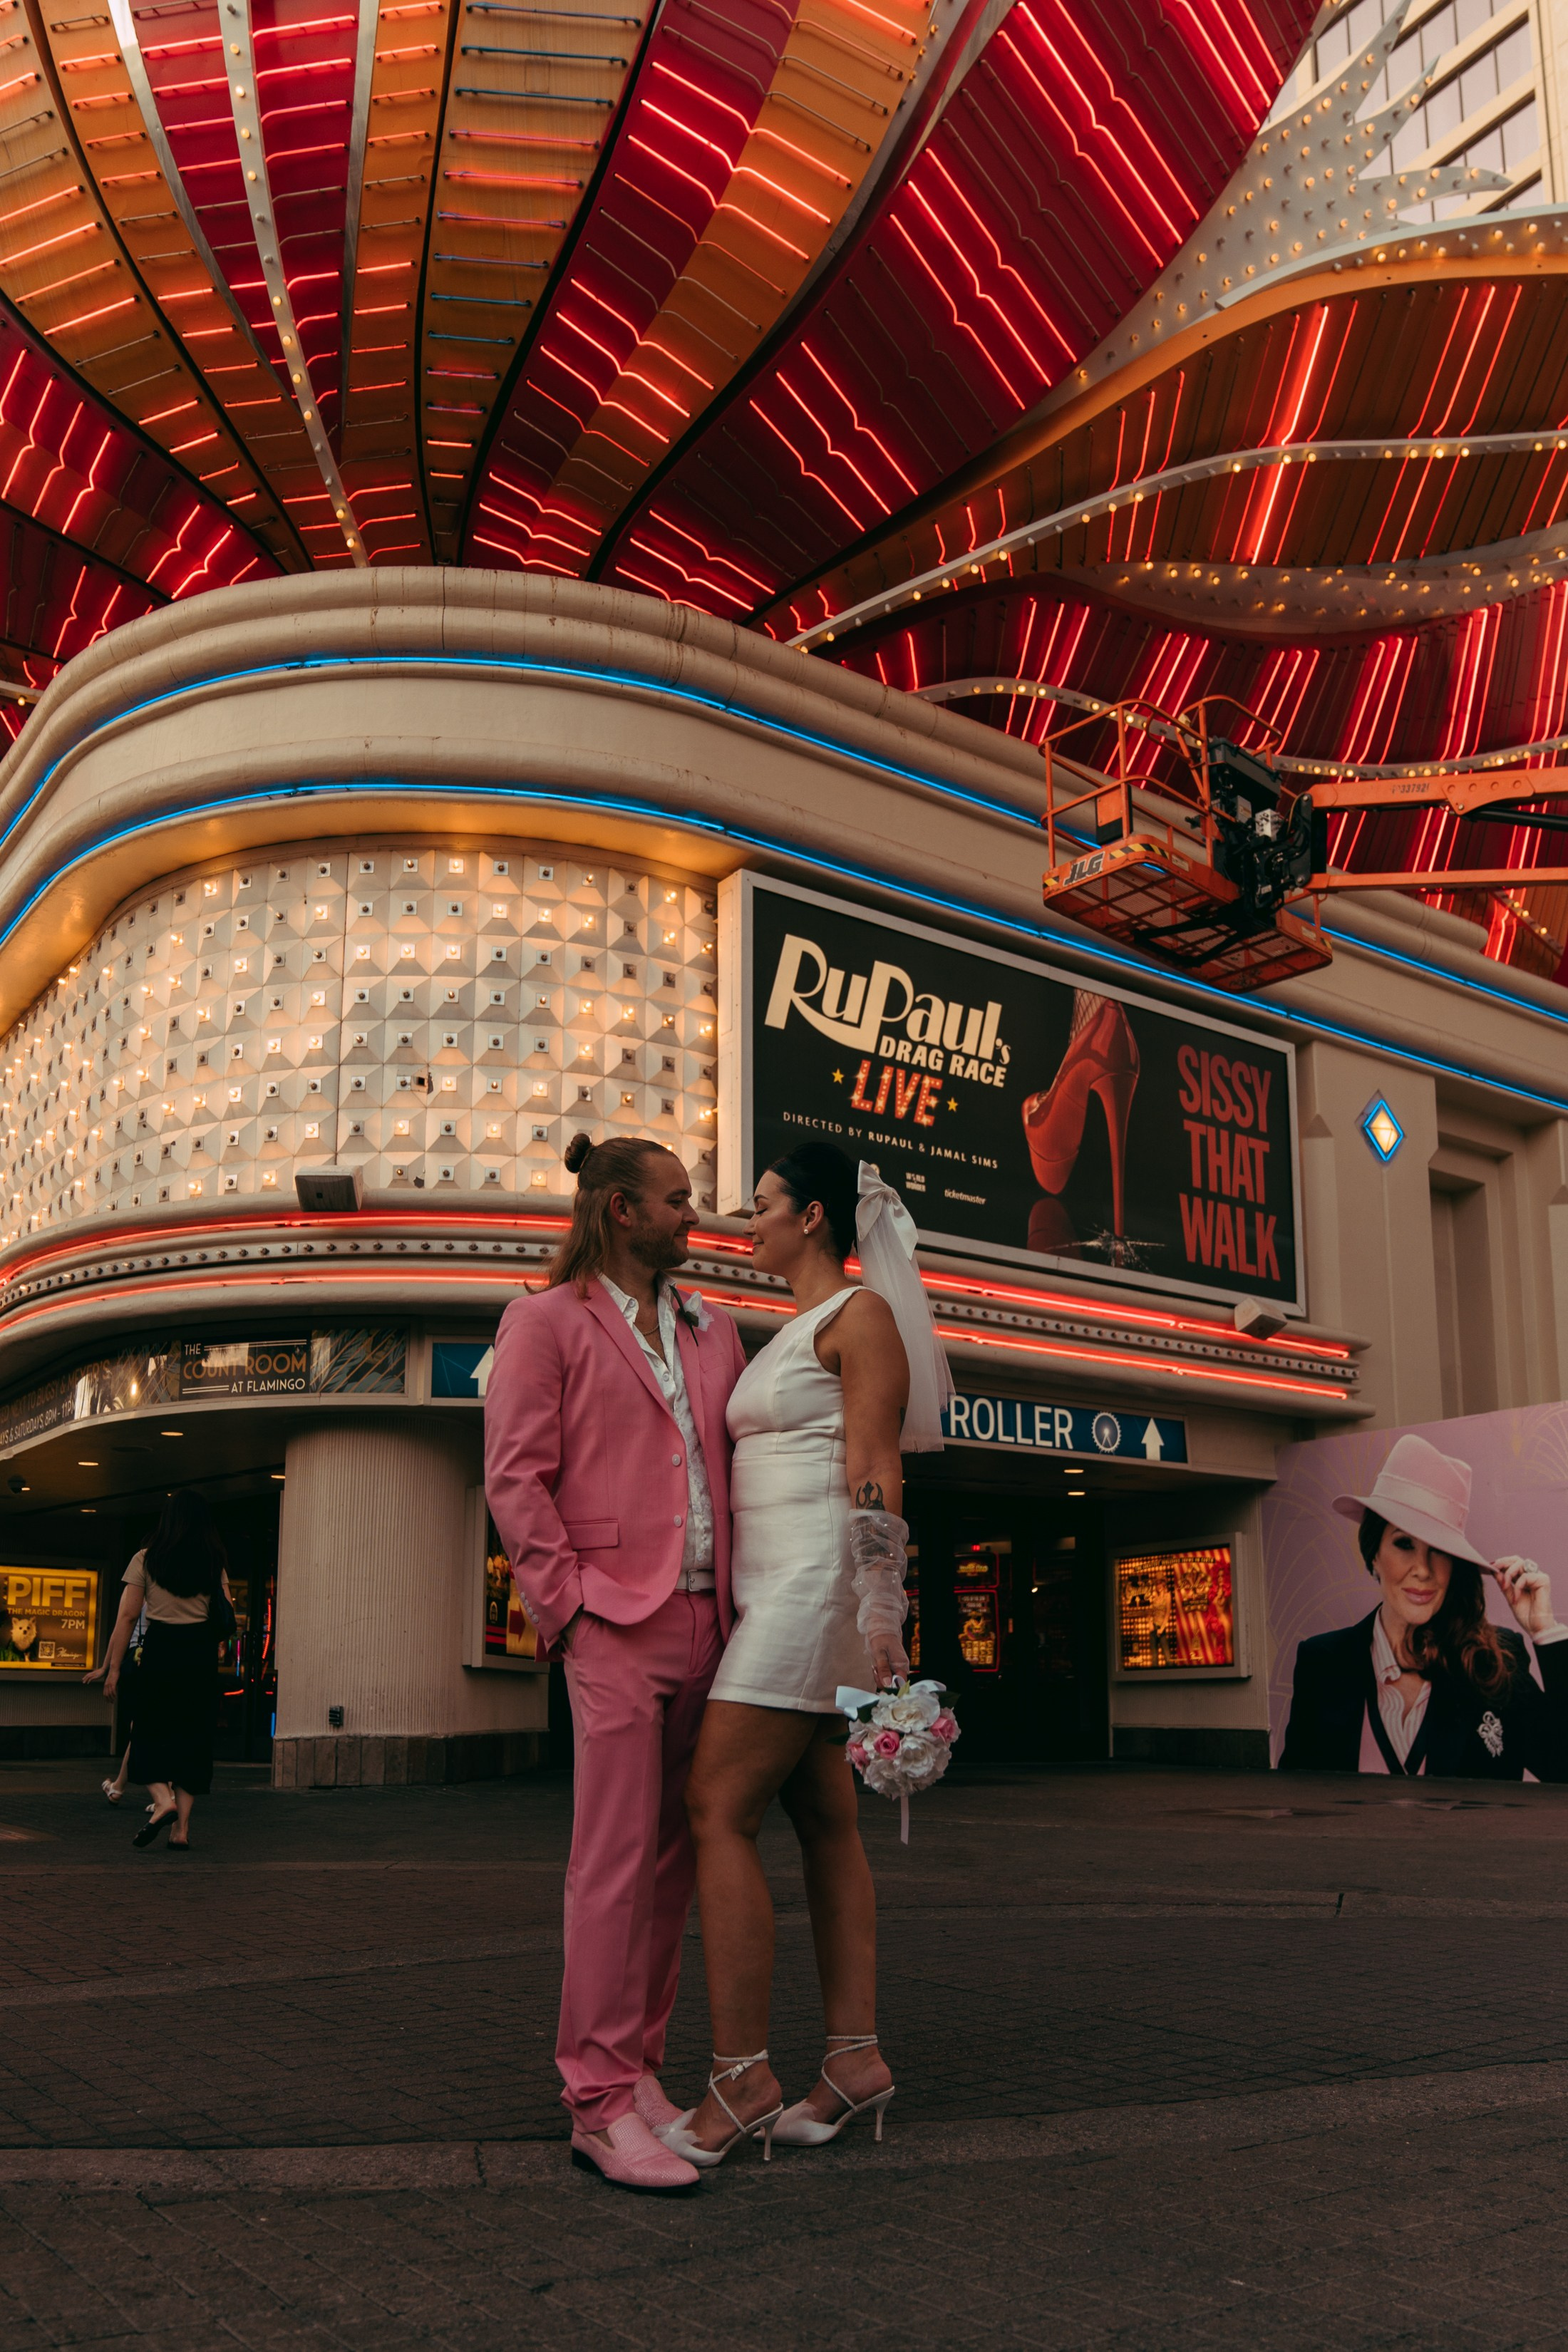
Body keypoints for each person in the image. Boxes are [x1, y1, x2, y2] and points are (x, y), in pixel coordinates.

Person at [661, 1141, 952, 2167]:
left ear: (815, 1216)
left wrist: (880, 1608)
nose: (752, 1224)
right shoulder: (793, 1330)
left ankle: (741, 2077)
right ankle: (854, 2059)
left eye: (766, 1205)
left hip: (816, 1587)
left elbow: (874, 1463)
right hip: (770, 1593)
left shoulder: (859, 1318)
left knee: (715, 1807)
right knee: (824, 1818)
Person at [483, 1133, 748, 2196]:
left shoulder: (712, 1327)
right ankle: (593, 2104)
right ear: (621, 1212)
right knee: (608, 1866)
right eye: (679, 1203)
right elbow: (514, 1478)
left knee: (675, 1863)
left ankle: (639, 2072)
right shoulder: (543, 1322)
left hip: (708, 1624)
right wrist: (571, 1609)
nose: (697, 1220)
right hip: (615, 1624)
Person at [1279, 1433, 1568, 1778]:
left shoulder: (1495, 1659)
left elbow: (1562, 1770)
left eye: (1439, 1550)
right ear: (1374, 1555)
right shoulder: (1324, 1662)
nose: (1423, 1570)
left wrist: (1546, 1632)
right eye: (1404, 1544)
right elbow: (1297, 1799)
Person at [104, 1491, 232, 1847]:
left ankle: (163, 1802)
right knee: (193, 1738)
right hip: (201, 1655)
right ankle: (182, 1831)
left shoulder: (147, 1559)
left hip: (161, 1652)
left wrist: (114, 1669)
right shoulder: (213, 1561)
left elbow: (128, 1617)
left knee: (146, 1731)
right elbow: (225, 1612)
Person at [84, 1589, 145, 1804]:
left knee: (143, 1727)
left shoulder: (136, 1585)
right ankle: (120, 1786)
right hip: (167, 1658)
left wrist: (108, 1667)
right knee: (149, 1726)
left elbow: (123, 1624)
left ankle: (160, 1795)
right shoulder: (173, 1583)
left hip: (137, 1659)